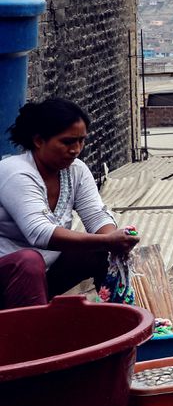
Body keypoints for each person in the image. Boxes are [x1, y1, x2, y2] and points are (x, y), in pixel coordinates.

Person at [0, 98, 138, 310]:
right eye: (67, 142)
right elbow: (39, 232)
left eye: (81, 141)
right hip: (10, 276)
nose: (76, 149)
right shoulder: (14, 172)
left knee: (102, 249)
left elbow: (96, 216)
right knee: (29, 261)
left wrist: (115, 240)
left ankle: (119, 320)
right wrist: (107, 240)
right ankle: (37, 338)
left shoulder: (76, 170)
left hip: (47, 272)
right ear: (39, 141)